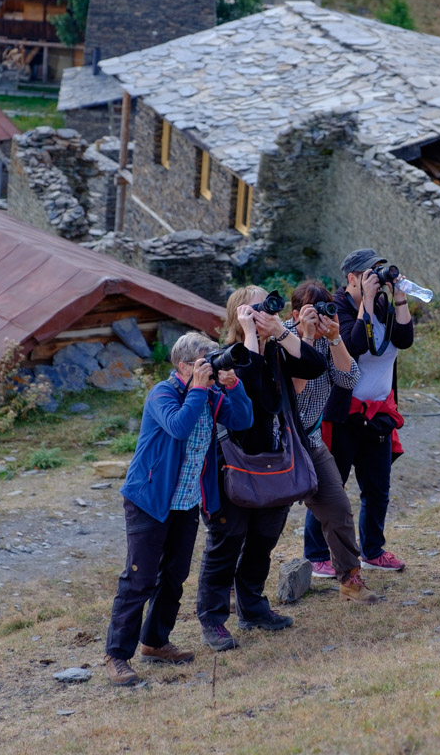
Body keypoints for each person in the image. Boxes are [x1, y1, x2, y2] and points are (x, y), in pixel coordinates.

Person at [103, 332, 253, 686]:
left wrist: (233, 387)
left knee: (174, 575)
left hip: (186, 501)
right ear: (185, 366)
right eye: (206, 360)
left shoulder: (210, 393)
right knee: (139, 579)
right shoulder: (163, 393)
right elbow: (179, 427)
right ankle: (116, 655)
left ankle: (155, 642)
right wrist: (200, 389)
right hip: (149, 500)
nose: (212, 366)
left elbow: (242, 420)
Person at [196, 285, 328, 652]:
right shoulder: (223, 357)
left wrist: (282, 333)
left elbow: (316, 367)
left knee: (263, 540)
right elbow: (249, 388)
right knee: (226, 543)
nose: (265, 313)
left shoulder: (276, 352)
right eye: (255, 310)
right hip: (233, 466)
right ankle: (212, 618)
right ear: (239, 315)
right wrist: (252, 335)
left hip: (276, 462)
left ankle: (253, 607)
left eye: (268, 308)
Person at [307, 249, 414, 573]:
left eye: (379, 271)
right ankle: (317, 556)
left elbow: (405, 339)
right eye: (369, 272)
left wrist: (399, 298)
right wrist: (365, 302)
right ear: (352, 277)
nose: (375, 278)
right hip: (343, 414)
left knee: (378, 487)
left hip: (379, 412)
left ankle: (372, 550)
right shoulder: (336, 307)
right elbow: (356, 345)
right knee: (331, 486)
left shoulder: (383, 304)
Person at [281, 281, 378, 603]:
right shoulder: (278, 337)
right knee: (262, 521)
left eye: (324, 310)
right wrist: (305, 337)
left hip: (310, 438)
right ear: (295, 314)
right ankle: (234, 589)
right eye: (311, 312)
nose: (319, 318)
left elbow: (349, 379)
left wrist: (334, 336)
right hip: (276, 442)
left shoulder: (327, 339)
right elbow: (294, 389)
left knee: (337, 509)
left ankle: (350, 580)